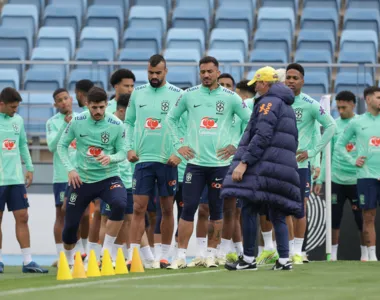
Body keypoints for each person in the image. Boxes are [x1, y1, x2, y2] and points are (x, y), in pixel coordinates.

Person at [167, 56, 251, 269]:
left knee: (217, 210)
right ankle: (180, 256)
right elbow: (170, 119)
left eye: (210, 72)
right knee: (188, 209)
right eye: (202, 71)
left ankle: (212, 254)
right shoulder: (188, 95)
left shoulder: (231, 98)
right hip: (194, 163)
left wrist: (235, 145)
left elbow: (250, 122)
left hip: (220, 164)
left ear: (217, 72)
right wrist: (180, 145)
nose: (206, 75)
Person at [221, 66, 301, 271]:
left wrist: (244, 162)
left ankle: (248, 259)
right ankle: (284, 260)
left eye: (257, 83)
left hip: (265, 166)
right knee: (278, 213)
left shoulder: (268, 102)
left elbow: (262, 135)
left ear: (265, 83)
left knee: (248, 208)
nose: (255, 87)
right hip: (282, 166)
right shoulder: (286, 104)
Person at [57, 86, 128, 266]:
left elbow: (123, 152)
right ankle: (67, 261)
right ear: (87, 105)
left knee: (120, 203)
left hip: (108, 177)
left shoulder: (116, 125)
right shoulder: (77, 121)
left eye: (102, 107)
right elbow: (61, 146)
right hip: (82, 179)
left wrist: (110, 157)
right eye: (94, 107)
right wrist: (70, 169)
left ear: (106, 105)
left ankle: (105, 253)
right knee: (71, 225)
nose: (98, 111)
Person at [125, 54, 183, 269]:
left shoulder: (178, 94)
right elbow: (129, 123)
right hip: (143, 160)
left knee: (167, 209)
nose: (154, 76)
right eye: (151, 73)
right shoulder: (138, 93)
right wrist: (129, 147)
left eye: (158, 72)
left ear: (166, 71)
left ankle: (165, 255)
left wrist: (179, 152)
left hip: (167, 161)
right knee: (138, 208)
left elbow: (186, 126)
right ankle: (133, 255)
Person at [285, 63, 336, 264]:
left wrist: (313, 151)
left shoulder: (310, 103)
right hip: (279, 165)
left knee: (299, 208)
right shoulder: (278, 103)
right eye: (288, 77)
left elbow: (331, 126)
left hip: (299, 167)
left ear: (302, 81)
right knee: (282, 208)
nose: (290, 81)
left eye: (295, 78)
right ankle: (286, 249)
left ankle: (298, 250)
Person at [314, 90, 367, 262]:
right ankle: (333, 255)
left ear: (353, 104)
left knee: (362, 219)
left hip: (357, 179)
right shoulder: (333, 126)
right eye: (338, 108)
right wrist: (321, 178)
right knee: (334, 219)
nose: (341, 111)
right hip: (336, 179)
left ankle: (366, 254)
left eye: (344, 107)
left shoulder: (361, 124)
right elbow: (326, 154)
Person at [0, 87, 48, 273]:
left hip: (15, 179)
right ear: (1, 104)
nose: (15, 110)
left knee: (23, 217)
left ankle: (28, 261)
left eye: (17, 107)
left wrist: (30, 167)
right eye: (12, 107)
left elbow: (22, 144)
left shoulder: (18, 120)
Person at [335, 86, 380, 262]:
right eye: (378, 97)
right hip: (366, 176)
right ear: (368, 100)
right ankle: (371, 256)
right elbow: (339, 145)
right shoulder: (357, 122)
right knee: (368, 217)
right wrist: (352, 160)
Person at [46, 88, 78, 264]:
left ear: (71, 99)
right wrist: (65, 127)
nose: (64, 102)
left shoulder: (82, 118)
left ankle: (79, 253)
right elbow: (51, 146)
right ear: (55, 104)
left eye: (66, 98)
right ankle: (61, 256)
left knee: (79, 214)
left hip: (81, 174)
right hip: (61, 175)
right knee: (61, 213)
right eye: (60, 100)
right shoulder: (52, 122)